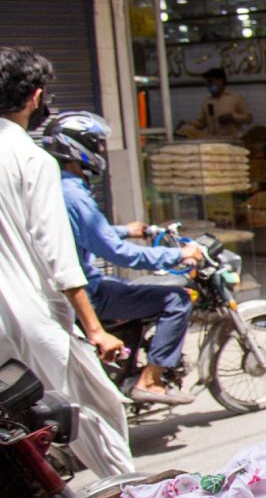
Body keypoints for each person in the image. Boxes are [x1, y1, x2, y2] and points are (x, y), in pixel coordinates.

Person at [0, 47, 134, 477]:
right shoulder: (32, 159)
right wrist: (95, 329)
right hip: (29, 317)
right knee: (93, 412)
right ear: (35, 97)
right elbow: (58, 256)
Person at [46, 112, 203, 405]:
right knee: (177, 299)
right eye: (96, 144)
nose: (100, 151)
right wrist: (177, 254)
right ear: (80, 147)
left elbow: (85, 231)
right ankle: (151, 380)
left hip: (66, 290)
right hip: (86, 291)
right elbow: (117, 253)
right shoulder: (74, 194)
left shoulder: (54, 183)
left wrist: (126, 230)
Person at [185, 68, 252, 138]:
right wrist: (187, 124)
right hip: (213, 142)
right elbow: (201, 123)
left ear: (220, 81)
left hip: (232, 141)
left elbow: (248, 118)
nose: (208, 85)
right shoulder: (207, 102)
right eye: (206, 83)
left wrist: (232, 117)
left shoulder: (235, 98)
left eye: (210, 82)